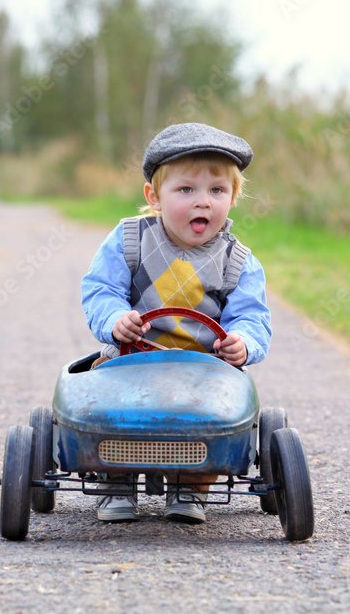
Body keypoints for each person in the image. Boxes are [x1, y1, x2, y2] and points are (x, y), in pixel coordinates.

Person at [81, 122, 272, 525]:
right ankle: (115, 480)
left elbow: (251, 316)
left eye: (217, 191)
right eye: (186, 190)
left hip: (202, 369)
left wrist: (243, 342)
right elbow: (100, 289)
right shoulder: (129, 239)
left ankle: (193, 486)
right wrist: (116, 319)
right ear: (155, 197)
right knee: (106, 401)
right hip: (131, 358)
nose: (203, 202)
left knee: (216, 415)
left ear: (233, 198)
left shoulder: (238, 261)